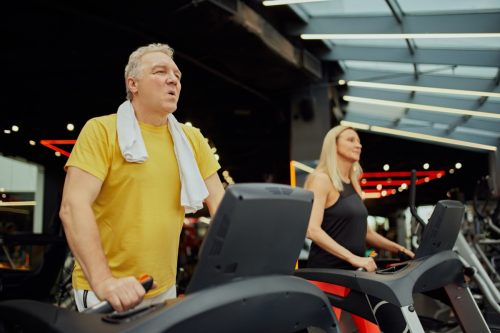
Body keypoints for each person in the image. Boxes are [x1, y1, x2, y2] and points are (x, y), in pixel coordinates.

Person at [59, 43, 225, 312]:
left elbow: (222, 205)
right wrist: (104, 282)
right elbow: (73, 207)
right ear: (133, 84)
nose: (173, 79)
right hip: (110, 292)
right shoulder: (101, 130)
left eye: (177, 75)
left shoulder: (191, 139)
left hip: (165, 288)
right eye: (160, 72)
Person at [304, 125, 415, 332]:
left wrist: (400, 249)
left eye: (358, 140)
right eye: (351, 140)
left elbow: (365, 232)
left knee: (373, 330)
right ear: (333, 145)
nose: (359, 144)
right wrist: (354, 257)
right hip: (328, 273)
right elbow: (312, 229)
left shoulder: (354, 183)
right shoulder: (321, 180)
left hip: (356, 274)